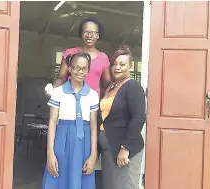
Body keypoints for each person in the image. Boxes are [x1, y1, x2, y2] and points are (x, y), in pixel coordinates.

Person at [42, 52, 99, 189]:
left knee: (81, 180)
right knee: (58, 177)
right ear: (70, 69)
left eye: (84, 68)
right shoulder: (58, 92)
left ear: (88, 70)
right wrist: (50, 153)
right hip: (62, 142)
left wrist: (93, 155)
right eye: (77, 68)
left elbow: (93, 125)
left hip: (84, 145)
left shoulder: (92, 95)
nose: (80, 71)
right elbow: (52, 122)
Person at [98, 46, 146, 189]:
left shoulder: (133, 87)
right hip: (108, 149)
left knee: (125, 186)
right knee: (110, 185)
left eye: (122, 64)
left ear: (130, 66)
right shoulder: (110, 88)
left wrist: (125, 148)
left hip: (124, 150)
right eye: (114, 64)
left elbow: (138, 118)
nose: (117, 67)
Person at [45, 17, 111, 97]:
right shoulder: (70, 53)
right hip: (70, 100)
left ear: (98, 35)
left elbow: (106, 84)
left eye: (93, 32)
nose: (89, 35)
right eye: (86, 32)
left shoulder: (103, 58)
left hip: (91, 104)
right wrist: (54, 88)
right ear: (81, 34)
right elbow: (62, 78)